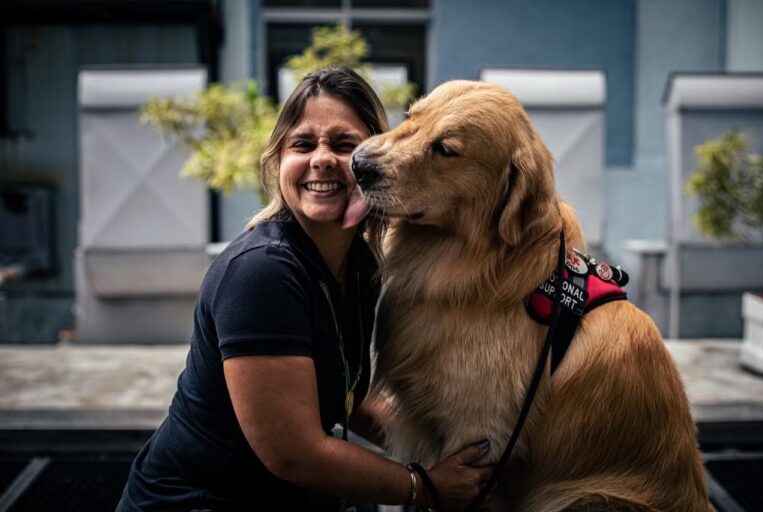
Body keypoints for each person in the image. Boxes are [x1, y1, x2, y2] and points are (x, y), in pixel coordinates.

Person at [117, 67, 491, 512]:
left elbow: (347, 397)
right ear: (278, 162)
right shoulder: (260, 274)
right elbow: (295, 454)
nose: (322, 159)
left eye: (344, 144)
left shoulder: (358, 266)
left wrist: (442, 450)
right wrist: (424, 485)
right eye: (303, 144)